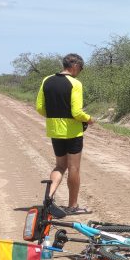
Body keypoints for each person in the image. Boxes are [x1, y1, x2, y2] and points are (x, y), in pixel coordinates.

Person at [36, 53, 94, 214]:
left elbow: (40, 107)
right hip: (72, 132)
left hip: (54, 129)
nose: (80, 71)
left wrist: (54, 116)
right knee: (74, 168)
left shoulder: (46, 80)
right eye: (80, 68)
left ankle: (49, 197)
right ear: (75, 66)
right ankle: (72, 206)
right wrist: (89, 119)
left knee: (60, 166)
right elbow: (76, 112)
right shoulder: (75, 83)